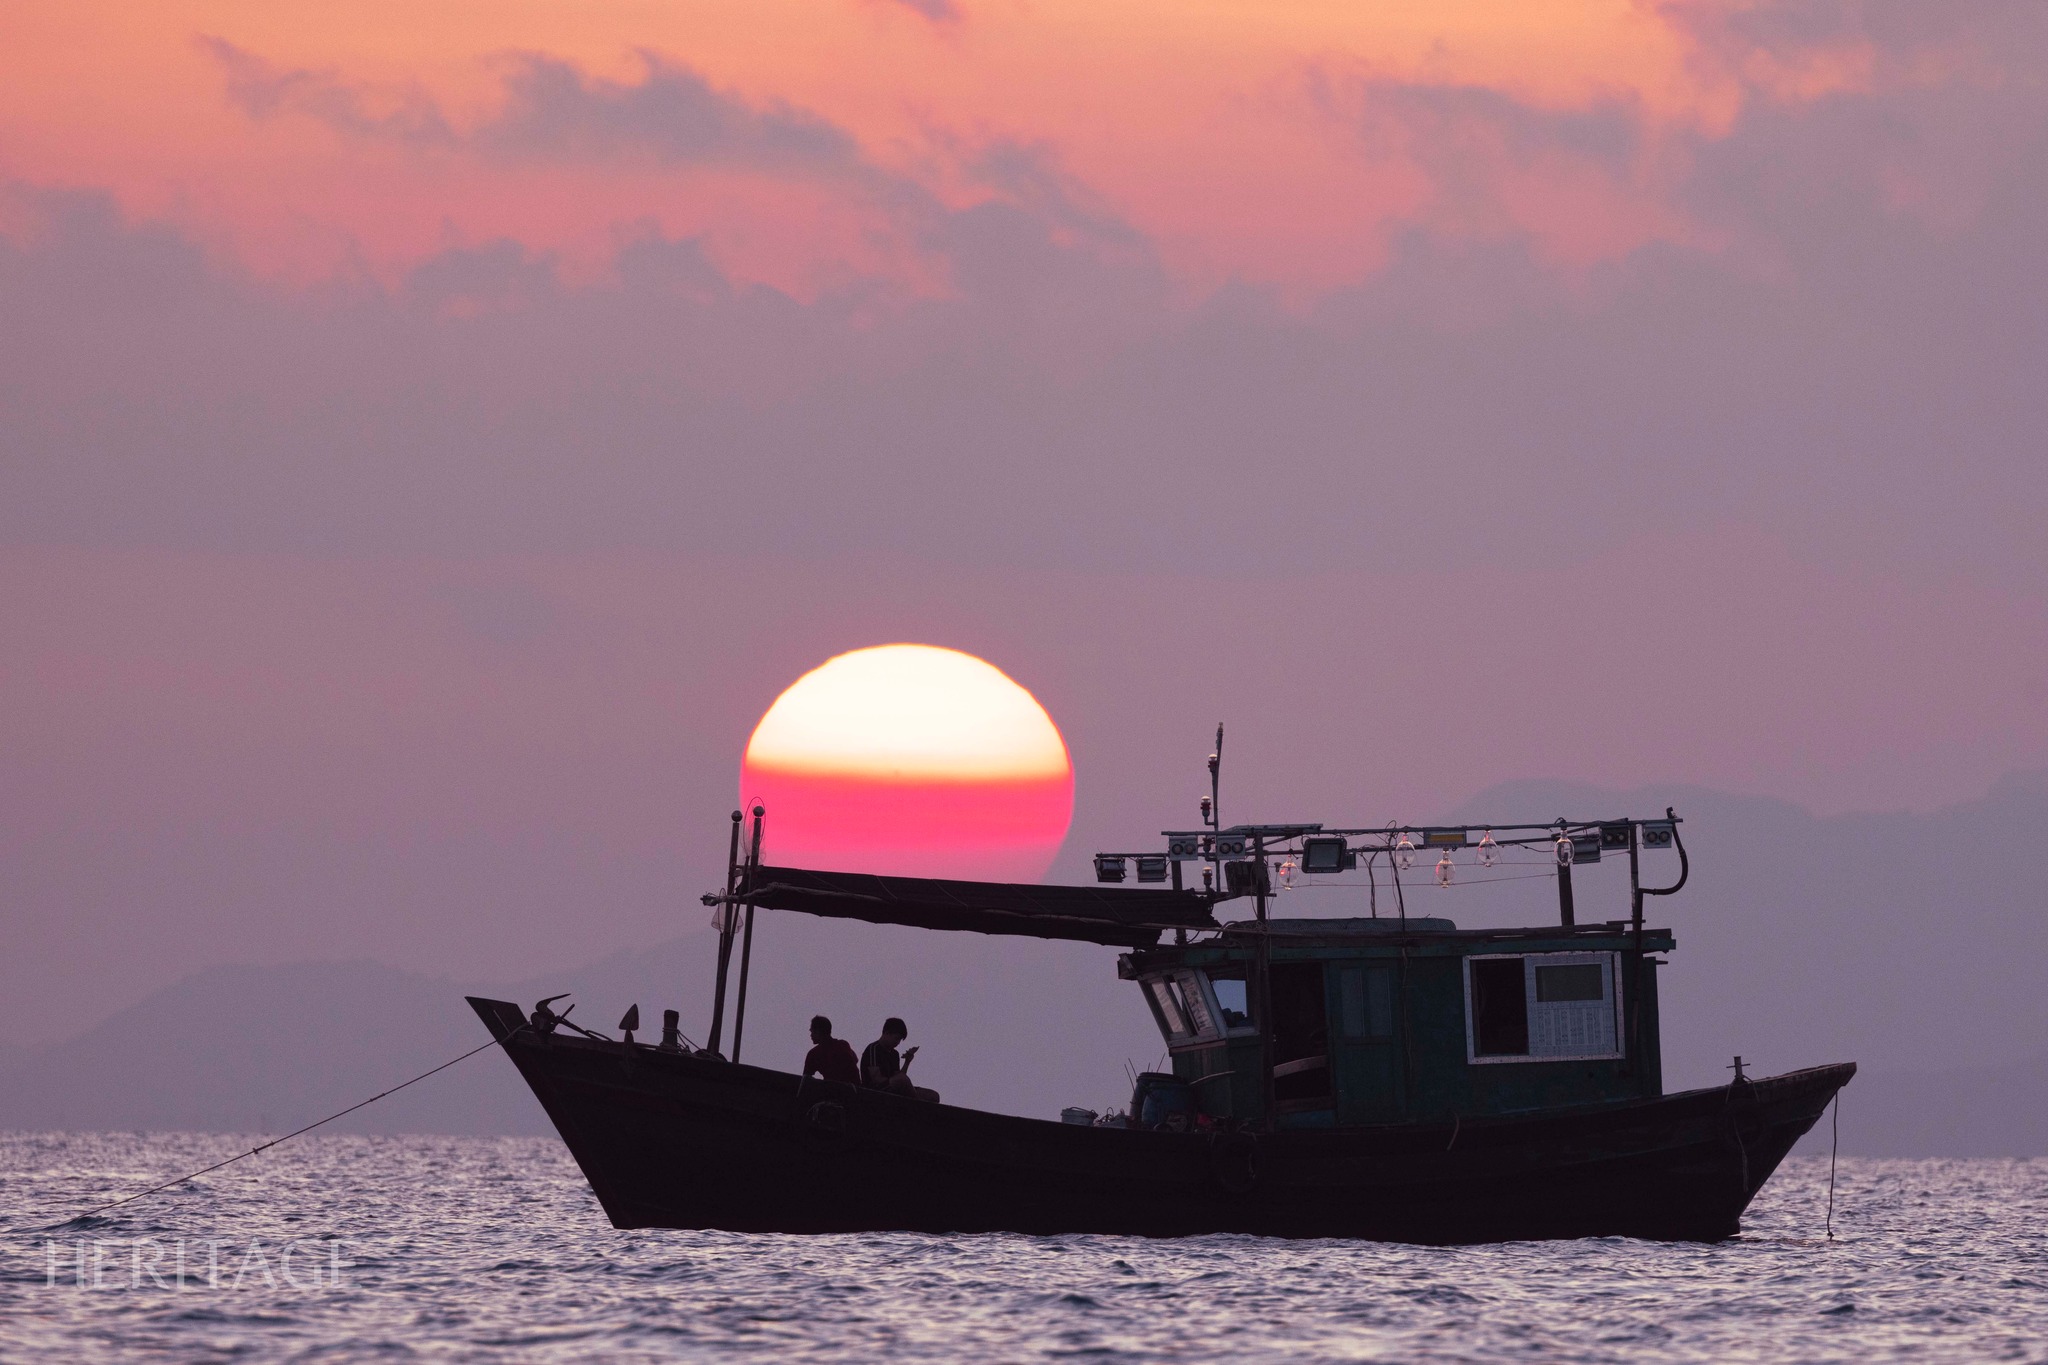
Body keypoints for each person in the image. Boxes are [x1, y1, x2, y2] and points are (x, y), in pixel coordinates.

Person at [861, 1017, 939, 1102]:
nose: (897, 1042)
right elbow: (876, 1079)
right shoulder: (874, 1049)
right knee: (902, 1079)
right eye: (896, 1038)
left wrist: (907, 1062)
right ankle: (918, 1105)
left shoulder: (894, 1054)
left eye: (899, 1040)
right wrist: (898, 1082)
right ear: (887, 1033)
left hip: (893, 1087)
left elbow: (900, 1077)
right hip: (875, 1090)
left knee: (933, 1095)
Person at [801, 1015, 860, 1085]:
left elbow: (805, 1079)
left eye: (812, 1031)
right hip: (852, 1090)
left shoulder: (814, 1053)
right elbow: (855, 1062)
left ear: (818, 1031)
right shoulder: (843, 1045)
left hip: (830, 1092)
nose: (811, 1035)